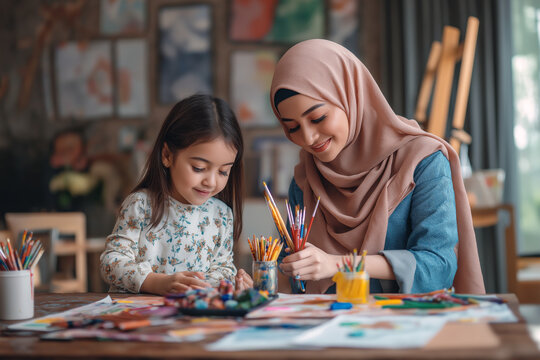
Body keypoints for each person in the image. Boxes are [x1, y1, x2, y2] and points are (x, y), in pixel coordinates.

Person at [270, 39, 485, 295]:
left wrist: (338, 265)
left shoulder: (422, 161)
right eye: (292, 127)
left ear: (350, 95)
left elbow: (439, 266)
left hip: (405, 325)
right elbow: (294, 277)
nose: (307, 138)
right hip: (327, 327)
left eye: (318, 118)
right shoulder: (306, 179)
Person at [100, 94, 253, 295]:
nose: (212, 181)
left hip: (194, 318)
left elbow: (222, 268)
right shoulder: (141, 205)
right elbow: (112, 263)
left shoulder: (221, 215)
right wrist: (155, 282)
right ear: (167, 155)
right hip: (140, 317)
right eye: (199, 168)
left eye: (223, 171)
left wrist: (232, 283)